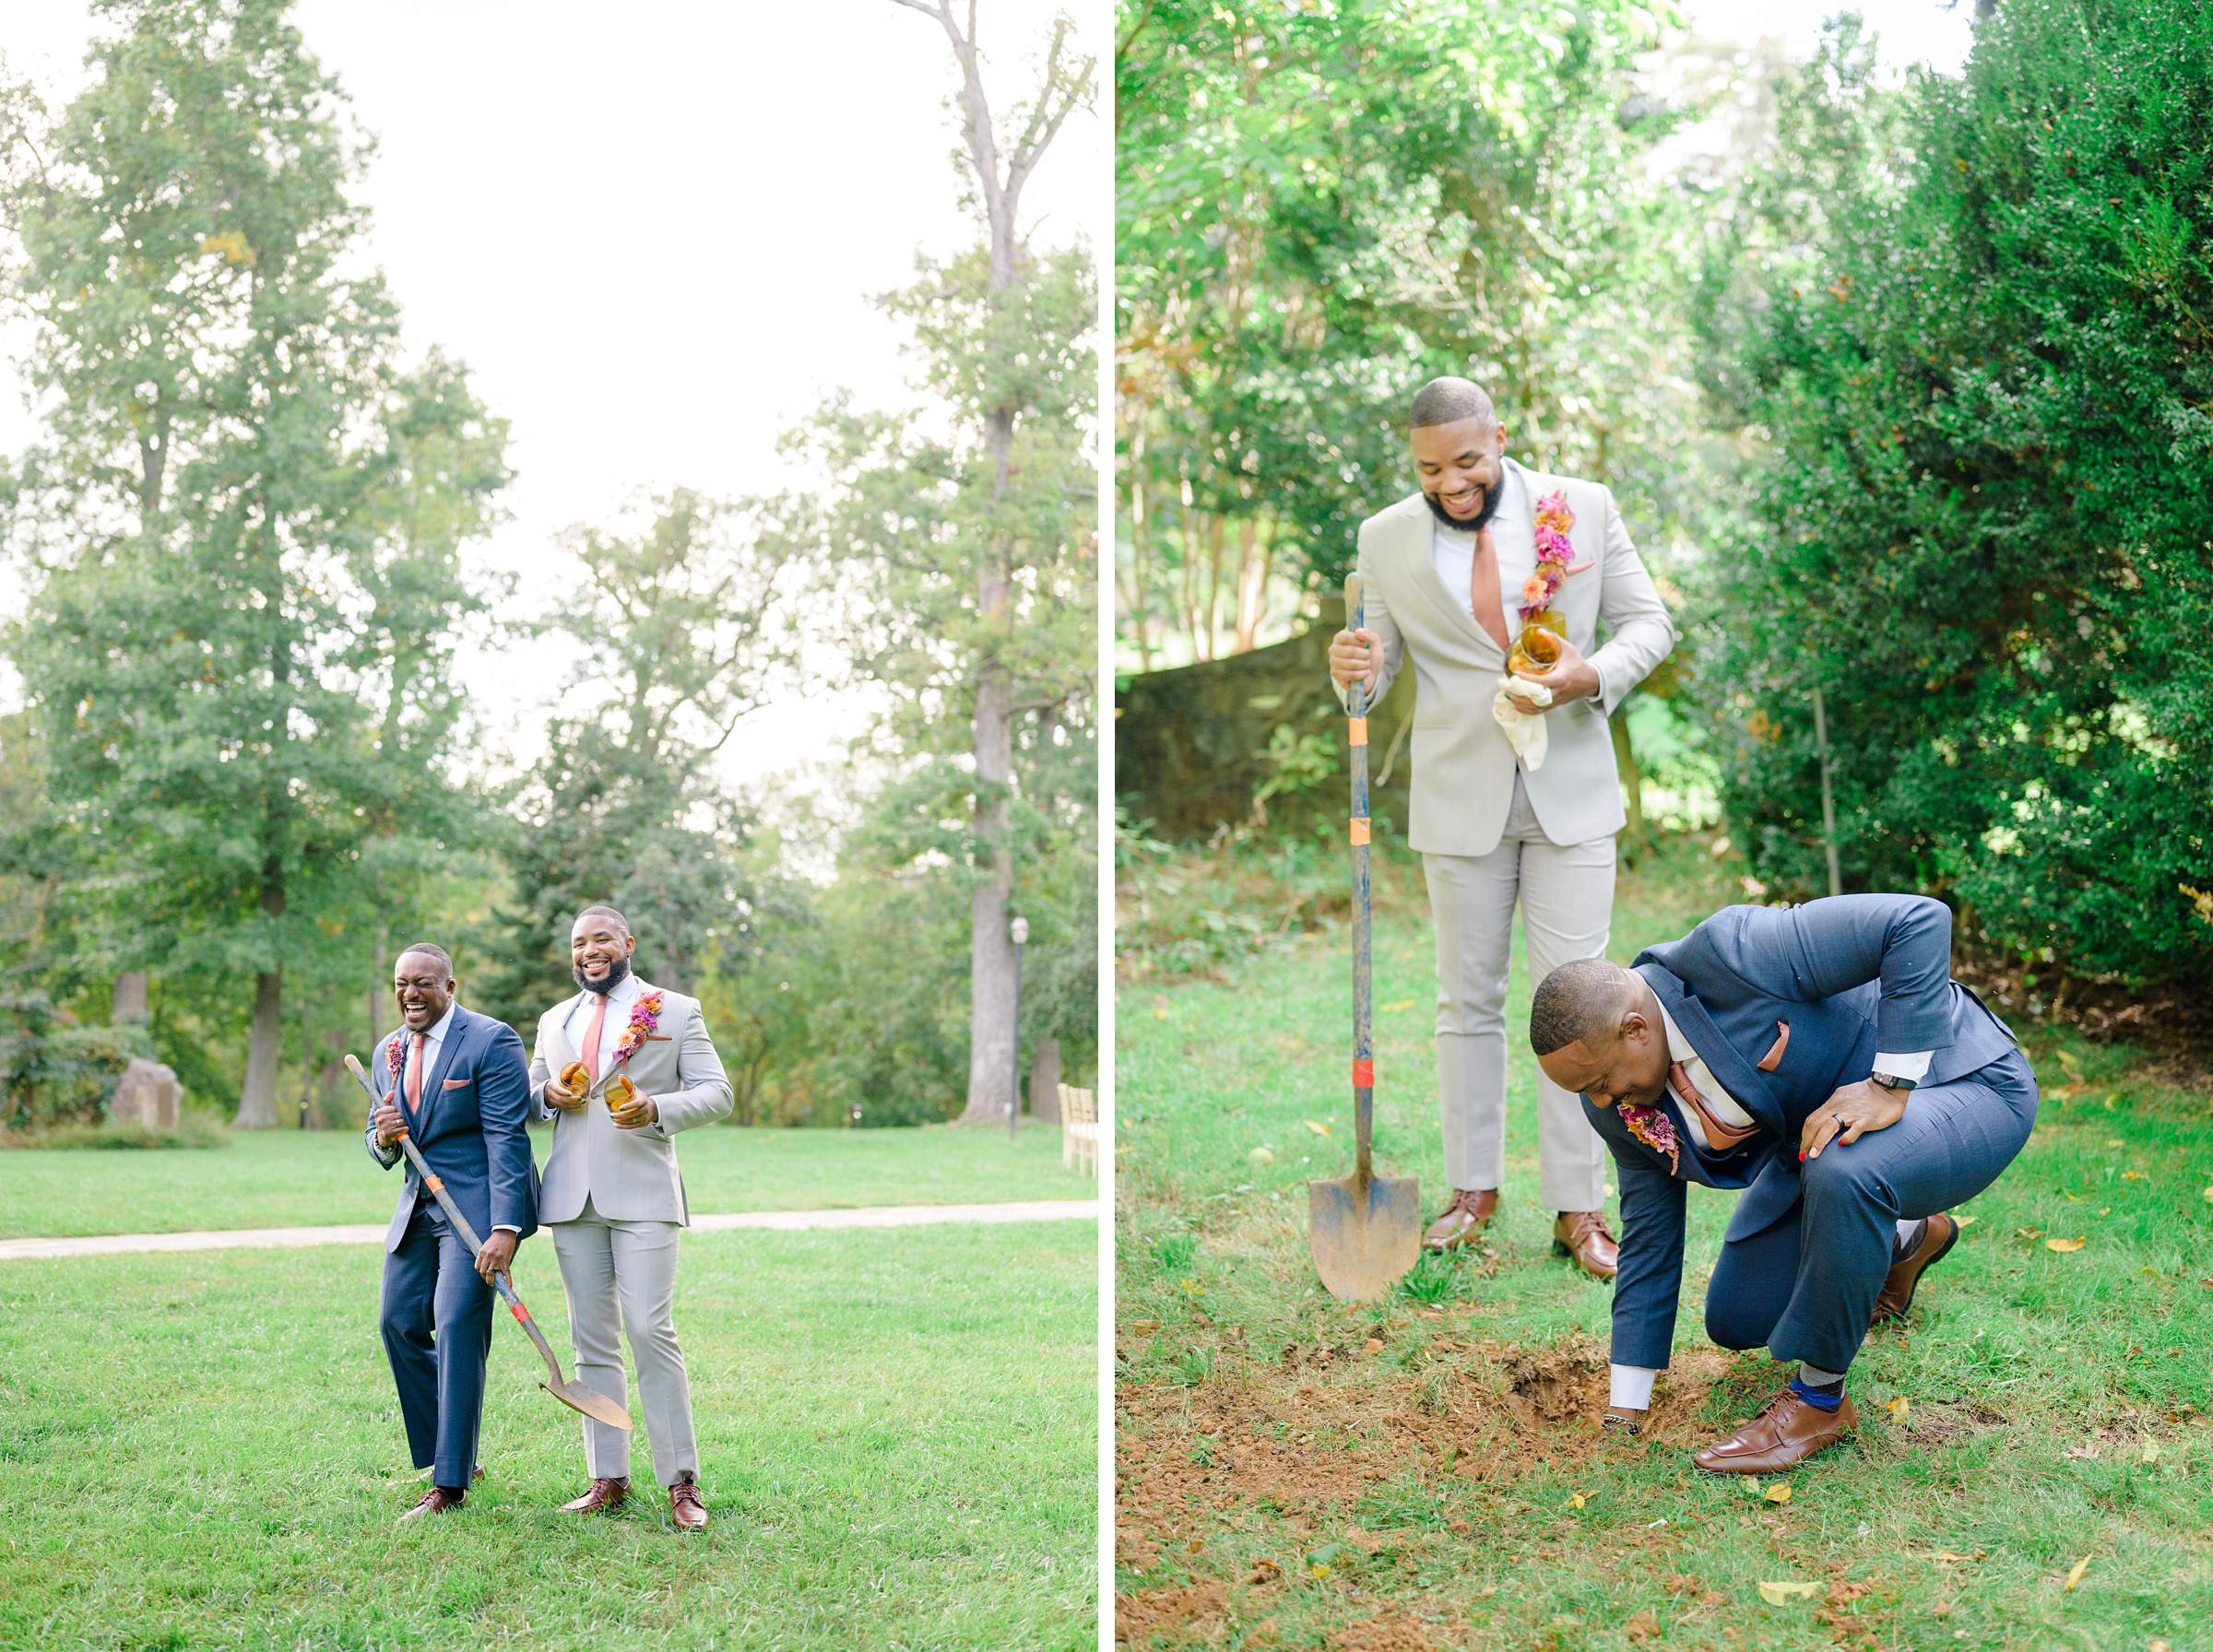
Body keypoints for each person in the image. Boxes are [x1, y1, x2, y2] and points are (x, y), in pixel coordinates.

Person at [1327, 376, 1675, 1276]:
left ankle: (1578, 1208)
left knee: (1582, 1003)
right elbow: (1372, 675)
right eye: (1430, 468)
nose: (1450, 483)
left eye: (1468, 462)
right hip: (1458, 801)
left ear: (1501, 440)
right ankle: (1471, 1190)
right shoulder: (1383, 539)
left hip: (1571, 792)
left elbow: (1649, 623)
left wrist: (1586, 676)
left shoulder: (1584, 510)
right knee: (1466, 1002)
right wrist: (1350, 667)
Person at [1530, 893, 2034, 1473]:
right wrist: (1625, 1410)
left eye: (1598, 1082)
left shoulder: (1736, 952)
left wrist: (1889, 1083)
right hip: (1818, 1147)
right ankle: (1902, 1241)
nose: (1598, 1102)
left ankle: (1820, 1401)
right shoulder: (1617, 1102)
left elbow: (1916, 921)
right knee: (1738, 1319)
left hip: (1960, 1081)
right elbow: (1649, 1238)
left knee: (1847, 1168)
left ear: (1637, 1029)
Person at [530, 904, 734, 1530]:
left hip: (644, 1191)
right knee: (591, 1341)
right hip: (571, 1197)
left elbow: (717, 1092)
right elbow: (533, 1093)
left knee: (648, 1329)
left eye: (600, 940)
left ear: (627, 942)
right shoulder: (552, 1019)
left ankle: (681, 1483)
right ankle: (607, 1479)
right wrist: (546, 1096)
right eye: (577, 943)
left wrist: (657, 1108)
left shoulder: (675, 1010)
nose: (587, 950)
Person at [365, 941, 539, 1521]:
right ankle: (455, 1450)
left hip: (475, 1214)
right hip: (418, 1209)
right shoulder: (387, 1051)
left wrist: (505, 1226)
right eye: (401, 983)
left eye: (423, 983)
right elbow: (380, 1147)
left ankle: (450, 1482)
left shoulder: (491, 1041)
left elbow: (507, 1138)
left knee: (459, 1326)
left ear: (450, 986)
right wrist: (384, 1136)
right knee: (398, 1322)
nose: (410, 993)